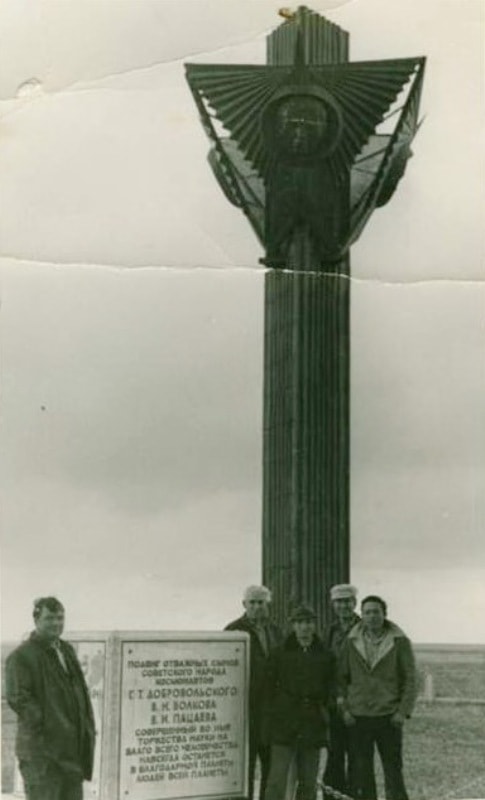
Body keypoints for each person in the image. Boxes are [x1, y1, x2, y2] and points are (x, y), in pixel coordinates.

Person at [6, 597, 96, 800]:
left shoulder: (66, 650)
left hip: (70, 756)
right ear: (36, 620)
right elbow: (19, 699)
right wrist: (50, 727)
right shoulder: (22, 657)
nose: (56, 623)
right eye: (49, 618)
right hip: (42, 758)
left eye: (60, 618)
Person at [338, 595, 417, 800]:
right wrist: (345, 709)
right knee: (361, 773)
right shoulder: (351, 641)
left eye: (376, 612)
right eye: (367, 612)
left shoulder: (399, 642)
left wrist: (402, 712)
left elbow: (410, 678)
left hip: (389, 717)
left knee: (393, 771)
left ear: (384, 614)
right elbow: (340, 678)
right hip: (359, 716)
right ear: (361, 616)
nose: (372, 616)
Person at [263, 605, 335, 800]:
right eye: (300, 623)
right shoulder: (279, 654)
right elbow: (268, 689)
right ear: (293, 625)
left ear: (315, 625)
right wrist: (275, 717)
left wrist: (323, 711)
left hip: (312, 724)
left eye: (309, 622)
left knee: (308, 781)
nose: (305, 627)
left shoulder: (325, 655)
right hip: (284, 725)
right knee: (277, 780)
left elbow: (331, 687)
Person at [225, 585, 283, 800]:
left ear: (268, 605)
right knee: (245, 765)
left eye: (261, 603)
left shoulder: (276, 631)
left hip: (271, 709)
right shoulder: (233, 630)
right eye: (253, 603)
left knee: (271, 763)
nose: (257, 607)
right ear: (244, 604)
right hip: (245, 708)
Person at [323, 584, 362, 797]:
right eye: (339, 601)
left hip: (358, 702)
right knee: (334, 754)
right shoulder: (330, 630)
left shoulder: (364, 627)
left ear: (354, 603)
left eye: (347, 601)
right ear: (333, 605)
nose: (343, 605)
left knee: (357, 756)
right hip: (333, 703)